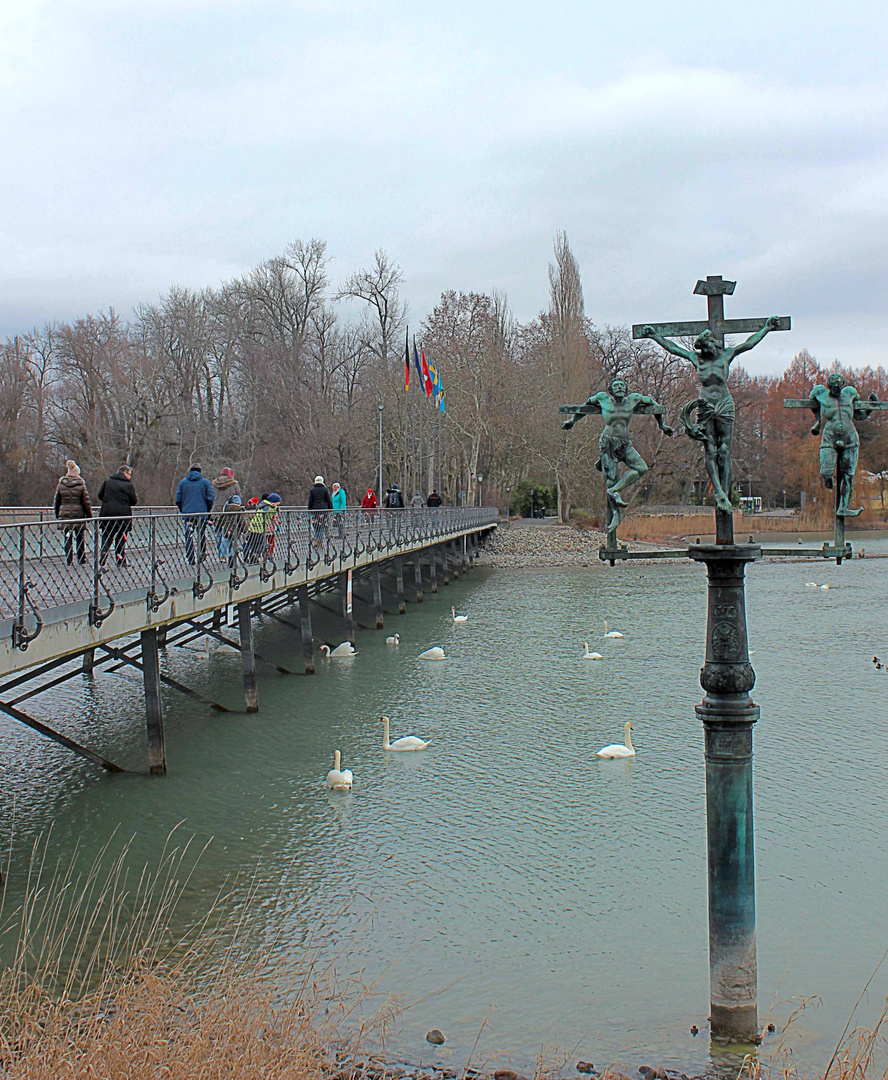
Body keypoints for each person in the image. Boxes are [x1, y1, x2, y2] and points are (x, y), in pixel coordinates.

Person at [640, 316, 780, 512]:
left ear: (713, 343)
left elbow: (749, 344)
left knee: (724, 450)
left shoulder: (727, 355)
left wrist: (766, 328)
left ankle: (725, 490)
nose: (706, 351)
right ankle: (718, 493)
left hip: (724, 403)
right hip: (705, 404)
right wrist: (655, 336)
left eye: (707, 347)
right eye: (703, 349)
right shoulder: (697, 358)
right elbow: (674, 348)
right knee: (710, 449)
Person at [561, 377, 672, 538]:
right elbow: (585, 407)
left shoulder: (633, 399)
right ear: (611, 390)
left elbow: (655, 406)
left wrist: (662, 425)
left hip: (625, 443)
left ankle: (614, 491)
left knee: (641, 468)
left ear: (626, 389)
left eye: (622, 385)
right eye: (616, 385)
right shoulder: (603, 398)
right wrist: (572, 420)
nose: (619, 387)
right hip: (608, 443)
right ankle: (615, 513)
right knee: (611, 478)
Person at [175, 463, 216, 565]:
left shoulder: (183, 483)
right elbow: (211, 498)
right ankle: (201, 554)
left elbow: (178, 499)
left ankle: (190, 557)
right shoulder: (205, 483)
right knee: (201, 534)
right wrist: (208, 510)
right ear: (200, 471)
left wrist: (183, 510)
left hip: (188, 514)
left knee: (189, 535)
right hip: (201, 514)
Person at [97, 464, 137, 567]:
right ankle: (120, 560)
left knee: (107, 534)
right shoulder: (128, 484)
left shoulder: (108, 481)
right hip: (122, 515)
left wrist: (108, 502)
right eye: (129, 474)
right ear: (124, 473)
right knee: (121, 537)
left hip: (107, 513)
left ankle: (104, 552)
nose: (130, 476)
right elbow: (133, 501)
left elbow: (100, 495)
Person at [53, 460, 92, 565]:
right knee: (80, 536)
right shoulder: (81, 485)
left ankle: (69, 559)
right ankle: (81, 558)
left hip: (64, 514)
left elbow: (57, 501)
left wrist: (57, 514)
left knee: (67, 536)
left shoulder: (61, 485)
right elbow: (86, 502)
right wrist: (89, 516)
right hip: (78, 514)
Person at [245, 493, 281, 562]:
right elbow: (271, 510)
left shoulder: (262, 504)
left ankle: (250, 555)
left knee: (252, 542)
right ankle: (255, 554)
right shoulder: (268, 507)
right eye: (277, 503)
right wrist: (276, 508)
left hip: (254, 526)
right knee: (260, 543)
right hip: (260, 527)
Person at [219, 493, 245, 566]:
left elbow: (221, 518)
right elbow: (242, 521)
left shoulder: (226, 509)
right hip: (236, 529)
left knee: (225, 541)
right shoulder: (240, 510)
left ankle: (222, 555)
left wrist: (217, 527)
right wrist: (245, 531)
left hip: (226, 529)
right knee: (234, 544)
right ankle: (232, 558)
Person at [307, 475, 333, 550]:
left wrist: (309, 509)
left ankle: (316, 539)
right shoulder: (325, 489)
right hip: (323, 510)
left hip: (315, 510)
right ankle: (320, 542)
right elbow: (328, 499)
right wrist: (330, 508)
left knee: (315, 525)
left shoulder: (312, 490)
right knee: (321, 526)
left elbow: (310, 500)